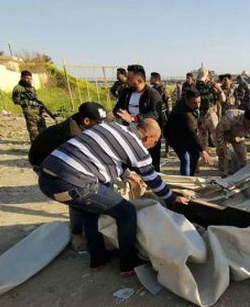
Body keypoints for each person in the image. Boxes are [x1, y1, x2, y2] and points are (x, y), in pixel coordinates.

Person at [39, 118, 189, 275]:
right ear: (147, 137)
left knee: (91, 212)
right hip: (74, 182)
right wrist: (172, 197)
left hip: (47, 180)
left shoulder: (111, 127)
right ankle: (128, 264)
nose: (154, 145)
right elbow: (152, 179)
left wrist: (129, 175)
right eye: (155, 141)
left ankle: (98, 259)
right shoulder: (137, 147)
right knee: (126, 212)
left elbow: (107, 156)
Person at [29, 102, 107, 244]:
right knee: (76, 194)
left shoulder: (80, 121)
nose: (101, 127)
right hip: (42, 161)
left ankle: (82, 227)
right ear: (87, 121)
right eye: (98, 123)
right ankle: (77, 233)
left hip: (53, 154)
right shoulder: (73, 136)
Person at [113, 64, 163, 171]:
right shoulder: (126, 93)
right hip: (130, 135)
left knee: (151, 166)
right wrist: (121, 114)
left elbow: (155, 114)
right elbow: (116, 109)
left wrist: (133, 118)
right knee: (132, 165)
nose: (127, 80)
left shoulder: (152, 94)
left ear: (139, 80)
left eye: (130, 78)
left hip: (148, 135)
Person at [165, 88, 214, 176]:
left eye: (199, 102)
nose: (197, 105)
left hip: (185, 134)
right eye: (194, 103)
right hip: (174, 137)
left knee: (195, 154)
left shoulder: (192, 107)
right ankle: (186, 179)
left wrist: (201, 127)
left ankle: (190, 177)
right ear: (187, 101)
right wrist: (203, 150)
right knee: (186, 159)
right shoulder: (184, 113)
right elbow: (192, 133)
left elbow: (197, 122)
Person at [12, 70, 53, 142]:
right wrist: (29, 102)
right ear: (22, 78)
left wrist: (41, 107)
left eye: (30, 78)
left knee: (43, 131)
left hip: (38, 113)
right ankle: (36, 146)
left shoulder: (32, 88)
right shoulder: (18, 88)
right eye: (27, 78)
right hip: (30, 113)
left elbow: (36, 99)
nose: (29, 80)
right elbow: (16, 101)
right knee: (34, 132)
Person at [195, 67, 224, 148]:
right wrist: (219, 90)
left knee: (204, 139)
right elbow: (223, 99)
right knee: (214, 137)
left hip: (204, 114)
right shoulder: (211, 85)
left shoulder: (196, 86)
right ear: (207, 75)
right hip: (208, 114)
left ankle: (206, 153)